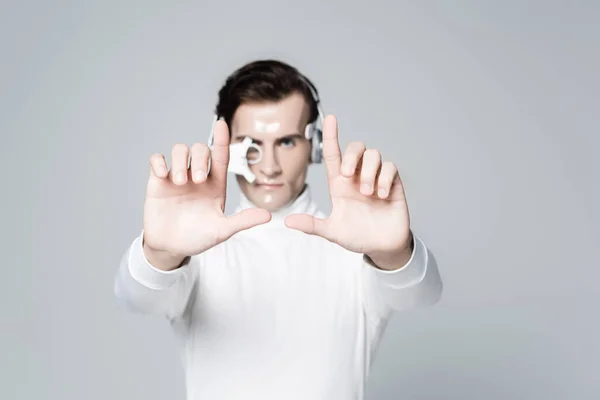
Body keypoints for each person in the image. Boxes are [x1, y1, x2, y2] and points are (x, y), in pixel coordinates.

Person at [114, 59, 443, 399]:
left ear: (313, 146)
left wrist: (395, 253)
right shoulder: (195, 252)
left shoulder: (356, 249)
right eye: (251, 145)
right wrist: (159, 253)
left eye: (286, 142)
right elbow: (135, 297)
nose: (269, 166)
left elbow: (421, 293)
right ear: (222, 143)